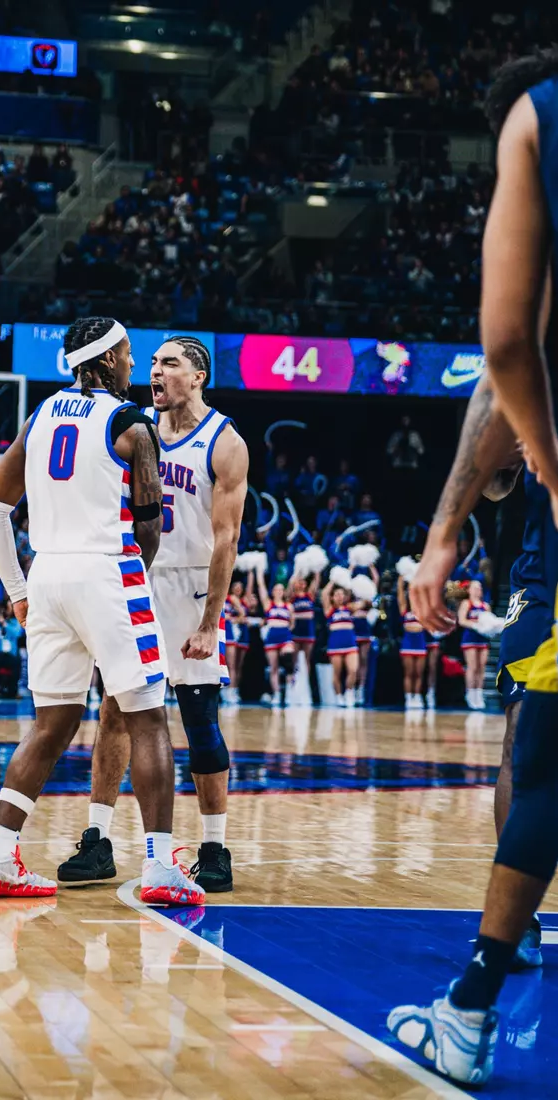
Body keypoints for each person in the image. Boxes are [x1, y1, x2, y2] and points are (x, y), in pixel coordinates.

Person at [389, 53, 558, 1084]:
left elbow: (507, 347)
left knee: (540, 761)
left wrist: (448, 525)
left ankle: (471, 1001)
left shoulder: (537, 120)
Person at [0, 317, 203, 906]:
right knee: (147, 716)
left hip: (46, 576)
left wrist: (18, 590)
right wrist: (134, 580)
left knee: (51, 726)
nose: (134, 365)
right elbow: (149, 526)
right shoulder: (132, 424)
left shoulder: (40, 416)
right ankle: (160, 867)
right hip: (108, 569)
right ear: (104, 359)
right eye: (127, 355)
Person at [58, 336, 248, 893]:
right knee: (114, 713)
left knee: (199, 719)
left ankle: (214, 848)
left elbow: (226, 540)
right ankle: (98, 841)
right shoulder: (132, 428)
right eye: (155, 363)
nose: (156, 372)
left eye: (170, 363)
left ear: (198, 375)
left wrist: (211, 622)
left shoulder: (223, 440)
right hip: (135, 582)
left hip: (191, 589)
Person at [321, 579, 358, 707]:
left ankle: (348, 692)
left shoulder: (350, 608)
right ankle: (338, 696)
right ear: (332, 597)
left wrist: (346, 576)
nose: (339, 597)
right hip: (335, 644)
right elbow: (324, 594)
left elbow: (365, 601)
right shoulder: (330, 610)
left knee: (353, 670)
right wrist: (334, 578)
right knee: (336, 672)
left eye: (341, 594)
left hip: (350, 643)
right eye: (336, 594)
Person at [458, 579, 491, 710]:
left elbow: (489, 621)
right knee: (472, 666)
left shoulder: (485, 605)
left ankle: (479, 693)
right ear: (469, 590)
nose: (478, 590)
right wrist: (475, 625)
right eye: (475, 588)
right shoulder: (466, 603)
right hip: (470, 638)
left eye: (480, 588)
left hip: (482, 638)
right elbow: (461, 620)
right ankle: (470, 693)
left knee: (481, 666)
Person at [260, 582, 295, 707]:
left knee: (289, 659)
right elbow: (261, 588)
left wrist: (286, 630)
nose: (279, 591)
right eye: (277, 589)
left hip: (285, 636)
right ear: (273, 591)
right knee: (273, 667)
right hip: (272, 637)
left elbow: (292, 622)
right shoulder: (269, 604)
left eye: (281, 589)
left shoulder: (289, 606)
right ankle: (277, 694)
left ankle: (290, 692)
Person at [397, 574, 426, 710]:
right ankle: (409, 697)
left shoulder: (423, 609)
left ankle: (417, 696)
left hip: (420, 643)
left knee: (419, 673)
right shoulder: (405, 609)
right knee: (409, 673)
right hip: (408, 643)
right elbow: (400, 595)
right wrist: (402, 578)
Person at [289, 571, 320, 673]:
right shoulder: (292, 597)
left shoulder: (309, 595)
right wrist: (298, 570)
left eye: (303, 582)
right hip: (296, 630)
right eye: (299, 582)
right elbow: (290, 586)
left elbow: (316, 582)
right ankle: (294, 682)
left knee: (307, 659)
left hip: (308, 630)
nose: (301, 584)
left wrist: (316, 569)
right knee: (294, 659)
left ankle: (305, 683)